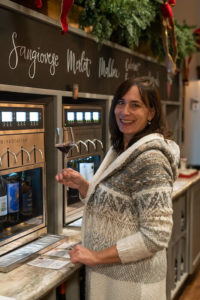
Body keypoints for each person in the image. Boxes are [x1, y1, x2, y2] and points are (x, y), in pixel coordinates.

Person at [56, 76, 180, 300]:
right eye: (121, 103)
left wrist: (96, 256)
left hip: (132, 285)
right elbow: (121, 204)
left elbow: (156, 236)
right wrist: (85, 186)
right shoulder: (122, 148)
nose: (125, 112)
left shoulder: (151, 159)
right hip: (114, 280)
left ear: (151, 113)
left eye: (136, 105)